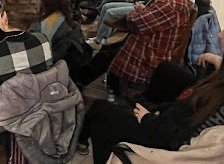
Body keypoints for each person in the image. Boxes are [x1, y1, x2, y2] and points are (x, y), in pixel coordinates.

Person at [78, 56, 224, 163]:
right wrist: (217, 61)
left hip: (165, 141)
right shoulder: (213, 97)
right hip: (171, 123)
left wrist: (147, 118)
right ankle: (139, 103)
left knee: (101, 109)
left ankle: (91, 147)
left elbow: (169, 136)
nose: (220, 35)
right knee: (168, 70)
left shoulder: (206, 107)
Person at [107, 0, 198, 99]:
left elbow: (135, 23)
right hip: (152, 46)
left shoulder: (171, 5)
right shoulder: (176, 2)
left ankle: (121, 98)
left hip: (149, 56)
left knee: (109, 50)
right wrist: (142, 12)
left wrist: (137, 12)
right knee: (108, 50)